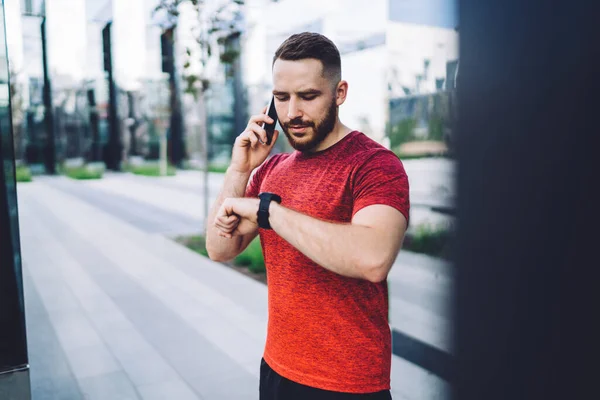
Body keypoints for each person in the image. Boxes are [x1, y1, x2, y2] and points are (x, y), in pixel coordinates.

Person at [206, 32, 410, 400]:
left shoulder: (375, 165)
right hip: (278, 370)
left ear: (339, 93)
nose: (291, 113)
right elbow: (220, 248)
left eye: (308, 96)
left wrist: (266, 210)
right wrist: (240, 171)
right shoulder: (273, 168)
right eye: (281, 98)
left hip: (349, 383)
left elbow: (373, 258)